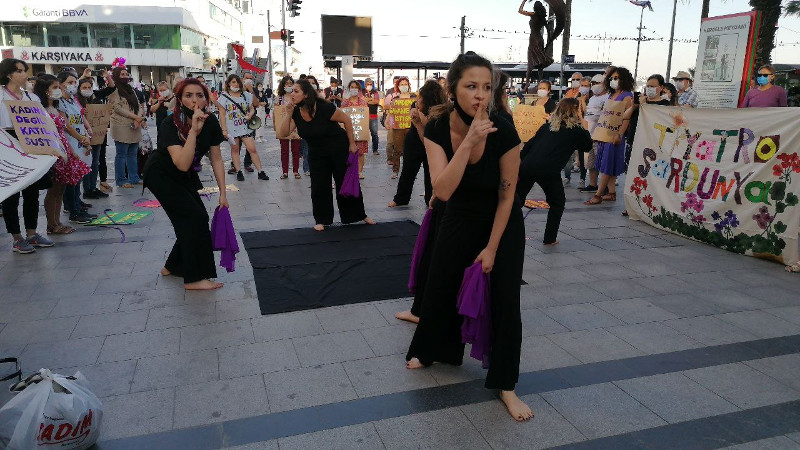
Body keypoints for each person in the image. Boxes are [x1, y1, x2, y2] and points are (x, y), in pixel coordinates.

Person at [405, 51, 531, 422]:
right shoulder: (437, 126)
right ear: (452, 88)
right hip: (458, 214)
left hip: (501, 222)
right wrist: (468, 141)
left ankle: (506, 385)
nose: (480, 95)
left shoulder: (503, 127)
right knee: (440, 283)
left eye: (487, 87)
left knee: (505, 300)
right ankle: (433, 350)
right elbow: (443, 190)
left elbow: (508, 196)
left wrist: (491, 248)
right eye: (471, 86)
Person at [143, 78, 228, 291]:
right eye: (188, 95)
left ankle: (173, 266)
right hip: (161, 174)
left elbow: (216, 158)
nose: (195, 100)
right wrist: (193, 132)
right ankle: (194, 278)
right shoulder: (169, 123)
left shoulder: (210, 121)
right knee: (193, 217)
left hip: (186, 175)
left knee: (198, 216)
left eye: (200, 95)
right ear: (180, 99)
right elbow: (181, 163)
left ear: (206, 99)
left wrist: (223, 193)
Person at [279, 79, 376, 231]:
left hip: (338, 147)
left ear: (306, 94)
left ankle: (358, 215)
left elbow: (347, 120)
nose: (292, 94)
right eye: (292, 91)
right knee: (319, 185)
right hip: (316, 151)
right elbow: (283, 133)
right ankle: (322, 219)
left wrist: (352, 144)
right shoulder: (296, 112)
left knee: (345, 181)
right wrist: (288, 114)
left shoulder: (324, 107)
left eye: (296, 91)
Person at [518, 98, 592, 244]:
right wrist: (584, 126)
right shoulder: (576, 130)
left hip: (528, 165)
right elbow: (587, 146)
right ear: (576, 111)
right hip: (549, 170)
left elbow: (527, 148)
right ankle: (549, 238)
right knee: (557, 203)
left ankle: (504, 230)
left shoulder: (547, 126)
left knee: (517, 199)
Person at [0, 59, 55, 253]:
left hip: (30, 143)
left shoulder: (31, 98)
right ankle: (16, 237)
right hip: (8, 145)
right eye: (20, 71)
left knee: (32, 191)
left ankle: (32, 233)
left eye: (24, 70)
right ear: (9, 74)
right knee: (12, 194)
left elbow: (43, 121)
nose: (24, 74)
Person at [36, 74, 91, 232]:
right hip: (52, 150)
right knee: (53, 189)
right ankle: (51, 224)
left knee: (60, 188)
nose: (58, 90)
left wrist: (71, 150)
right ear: (45, 90)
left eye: (58, 87)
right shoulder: (40, 109)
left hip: (64, 148)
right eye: (54, 87)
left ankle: (57, 222)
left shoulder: (56, 107)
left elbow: (65, 128)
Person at [389, 80, 447, 207]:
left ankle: (430, 198)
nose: (418, 99)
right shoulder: (415, 105)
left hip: (430, 142)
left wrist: (419, 118)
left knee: (430, 172)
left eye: (421, 97)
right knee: (408, 170)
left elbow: (427, 130)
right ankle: (401, 198)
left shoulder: (438, 112)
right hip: (414, 141)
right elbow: (416, 121)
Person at [585, 67, 635, 205]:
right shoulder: (611, 95)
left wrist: (620, 134)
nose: (613, 80)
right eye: (612, 78)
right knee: (606, 164)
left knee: (607, 165)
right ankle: (611, 192)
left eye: (616, 78)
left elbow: (626, 119)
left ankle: (598, 194)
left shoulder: (627, 96)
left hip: (615, 135)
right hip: (604, 133)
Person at [56, 70, 96, 224]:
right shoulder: (60, 102)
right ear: (61, 84)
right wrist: (80, 138)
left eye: (74, 82)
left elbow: (80, 117)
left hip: (80, 141)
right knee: (71, 179)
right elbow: (66, 125)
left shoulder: (73, 100)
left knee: (78, 176)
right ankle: (73, 210)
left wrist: (86, 133)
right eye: (70, 83)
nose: (73, 85)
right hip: (70, 142)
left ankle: (77, 204)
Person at [215, 74, 268, 182]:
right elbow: (222, 114)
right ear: (228, 84)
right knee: (235, 150)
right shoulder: (224, 97)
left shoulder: (245, 95)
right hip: (231, 128)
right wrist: (224, 130)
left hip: (245, 127)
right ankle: (239, 171)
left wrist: (250, 114)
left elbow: (252, 108)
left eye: (237, 82)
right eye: (233, 82)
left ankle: (260, 171)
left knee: (252, 149)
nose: (236, 84)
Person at [76, 74, 113, 200]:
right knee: (87, 162)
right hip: (83, 137)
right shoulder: (76, 101)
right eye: (84, 87)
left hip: (97, 135)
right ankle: (87, 189)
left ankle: (93, 187)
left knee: (95, 162)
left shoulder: (96, 99)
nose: (87, 89)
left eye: (89, 87)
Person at [108, 66, 144, 188]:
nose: (125, 77)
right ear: (116, 76)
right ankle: (121, 180)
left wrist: (138, 118)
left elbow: (138, 105)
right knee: (121, 154)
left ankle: (134, 177)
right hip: (121, 125)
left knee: (133, 153)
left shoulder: (130, 89)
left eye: (126, 74)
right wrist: (135, 117)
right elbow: (117, 108)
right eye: (122, 74)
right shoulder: (114, 89)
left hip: (134, 124)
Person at [579, 73, 609, 194]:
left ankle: (605, 186)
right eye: (593, 83)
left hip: (600, 135)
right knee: (590, 162)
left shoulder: (607, 98)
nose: (595, 85)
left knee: (602, 162)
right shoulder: (591, 98)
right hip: (589, 135)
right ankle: (592, 184)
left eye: (598, 83)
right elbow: (588, 113)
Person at [384, 77, 415, 178]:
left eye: (405, 84)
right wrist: (388, 122)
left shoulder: (414, 97)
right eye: (402, 84)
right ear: (398, 86)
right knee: (397, 149)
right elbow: (391, 113)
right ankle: (395, 170)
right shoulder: (395, 99)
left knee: (410, 150)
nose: (404, 86)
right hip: (398, 128)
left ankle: (409, 171)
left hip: (411, 127)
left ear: (409, 85)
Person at [519, 0, 555, 87]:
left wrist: (524, 1)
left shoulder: (533, 14)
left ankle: (527, 82)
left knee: (530, 61)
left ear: (535, 7)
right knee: (539, 60)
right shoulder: (542, 18)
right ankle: (539, 81)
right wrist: (549, 42)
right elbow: (548, 30)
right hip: (540, 39)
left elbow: (520, 11)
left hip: (533, 39)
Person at [273, 75, 302, 180]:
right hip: (283, 126)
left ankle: (296, 171)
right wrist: (275, 125)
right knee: (284, 150)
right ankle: (285, 171)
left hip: (296, 126)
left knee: (296, 150)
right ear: (283, 85)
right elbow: (275, 113)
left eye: (290, 83)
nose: (289, 85)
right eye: (286, 83)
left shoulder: (297, 98)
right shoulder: (279, 98)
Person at [342, 80, 369, 179]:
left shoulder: (363, 102)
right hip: (349, 132)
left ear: (359, 89)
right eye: (352, 87)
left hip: (360, 131)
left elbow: (365, 117)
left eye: (356, 87)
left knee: (360, 153)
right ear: (349, 89)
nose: (354, 89)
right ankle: (349, 171)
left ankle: (359, 172)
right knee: (348, 152)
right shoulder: (345, 103)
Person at [364, 77, 381, 155]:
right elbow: (362, 100)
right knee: (363, 134)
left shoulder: (375, 92)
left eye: (371, 84)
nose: (369, 85)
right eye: (368, 84)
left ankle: (375, 150)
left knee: (374, 134)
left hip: (373, 116)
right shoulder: (362, 92)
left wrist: (367, 100)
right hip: (364, 116)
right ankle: (363, 149)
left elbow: (377, 102)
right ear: (365, 84)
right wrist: (371, 100)